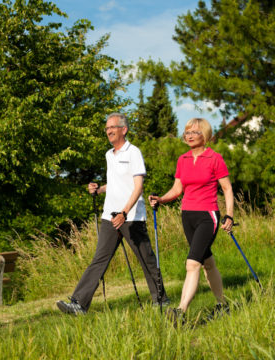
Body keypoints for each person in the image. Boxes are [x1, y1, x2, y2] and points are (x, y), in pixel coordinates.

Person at [57, 113, 169, 314]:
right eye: (106, 128)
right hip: (110, 216)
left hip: (131, 217)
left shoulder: (133, 152)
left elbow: (138, 187)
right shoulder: (109, 155)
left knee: (146, 259)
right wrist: (98, 189)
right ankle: (79, 304)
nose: (108, 131)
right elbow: (116, 184)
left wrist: (125, 213)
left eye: (112, 127)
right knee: (99, 259)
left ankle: (161, 301)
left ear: (123, 129)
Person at [149, 117, 234, 324]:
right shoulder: (183, 159)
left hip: (208, 216)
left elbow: (227, 189)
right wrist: (161, 199)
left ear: (204, 135)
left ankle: (180, 310)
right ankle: (223, 305)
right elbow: (178, 189)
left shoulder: (215, 158)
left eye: (194, 132)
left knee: (192, 264)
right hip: (187, 215)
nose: (189, 135)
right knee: (208, 263)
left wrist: (229, 215)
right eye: (187, 132)